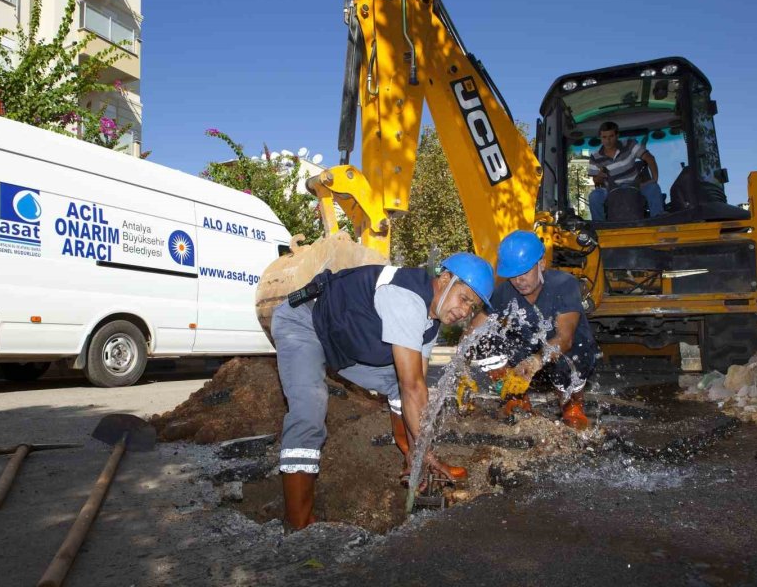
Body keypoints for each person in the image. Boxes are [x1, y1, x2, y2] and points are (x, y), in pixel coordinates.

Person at [272, 252, 495, 530]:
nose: (464, 312)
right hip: (306, 322)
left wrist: (419, 449)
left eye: (471, 307)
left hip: (343, 340)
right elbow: (412, 387)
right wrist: (428, 451)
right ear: (445, 278)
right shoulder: (407, 297)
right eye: (464, 299)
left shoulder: (431, 321)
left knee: (399, 382)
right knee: (309, 413)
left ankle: (409, 457)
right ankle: (298, 525)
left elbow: (416, 386)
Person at [468, 231, 599, 429]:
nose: (518, 280)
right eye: (512, 275)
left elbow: (565, 339)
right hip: (526, 359)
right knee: (482, 342)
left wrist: (536, 360)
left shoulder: (564, 284)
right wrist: (462, 367)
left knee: (572, 353)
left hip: (564, 356)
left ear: (542, 264)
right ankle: (515, 397)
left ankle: (572, 406)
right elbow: (473, 330)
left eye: (524, 272)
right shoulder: (504, 292)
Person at [588, 121, 664, 221]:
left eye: (611, 136)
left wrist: (655, 178)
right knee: (594, 196)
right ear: (600, 138)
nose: (608, 140)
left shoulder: (629, 144)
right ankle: (599, 226)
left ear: (617, 135)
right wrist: (599, 176)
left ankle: (658, 221)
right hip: (610, 189)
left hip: (635, 185)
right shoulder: (595, 156)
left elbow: (649, 158)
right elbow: (596, 181)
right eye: (604, 137)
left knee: (653, 188)